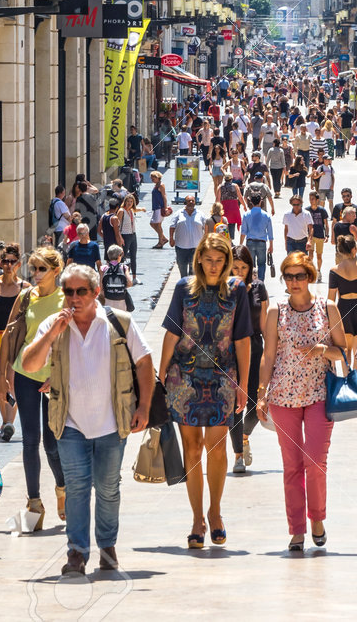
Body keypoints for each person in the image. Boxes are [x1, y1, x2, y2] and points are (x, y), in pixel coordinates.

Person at [19, 264, 154, 576]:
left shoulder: (117, 323)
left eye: (82, 291)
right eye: (69, 292)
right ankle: (77, 553)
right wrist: (53, 332)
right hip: (70, 424)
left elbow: (145, 363)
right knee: (78, 488)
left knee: (108, 488)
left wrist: (144, 408)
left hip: (112, 422)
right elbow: (30, 362)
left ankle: (107, 546)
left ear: (96, 292)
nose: (74, 298)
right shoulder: (55, 323)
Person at [160, 235, 253, 548]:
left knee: (217, 446)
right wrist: (160, 375)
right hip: (183, 377)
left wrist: (242, 383)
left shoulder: (237, 289)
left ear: (227, 262)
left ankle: (215, 512)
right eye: (209, 259)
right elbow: (172, 332)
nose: (214, 266)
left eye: (220, 260)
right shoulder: (183, 287)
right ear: (199, 258)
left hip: (222, 378)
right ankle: (197, 518)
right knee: (192, 447)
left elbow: (242, 339)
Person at [255, 252, 347, 551]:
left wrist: (321, 349)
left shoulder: (327, 307)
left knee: (316, 461)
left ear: (311, 276)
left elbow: (342, 352)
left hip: (320, 394)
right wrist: (261, 393)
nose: (295, 282)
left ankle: (317, 518)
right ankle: (296, 529)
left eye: (300, 276)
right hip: (283, 396)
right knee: (291, 465)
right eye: (289, 276)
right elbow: (268, 356)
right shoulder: (275, 311)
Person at [0, 248, 66, 530]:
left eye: (41, 269)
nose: (35, 274)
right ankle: (34, 502)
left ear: (55, 270)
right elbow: (10, 333)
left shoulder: (66, 299)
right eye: (33, 268)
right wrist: (5, 374)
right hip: (25, 372)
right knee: (30, 439)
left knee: (52, 443)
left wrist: (60, 376)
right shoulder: (26, 296)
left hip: (53, 376)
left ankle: (62, 489)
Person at [229, 246, 269, 475]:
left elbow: (264, 325)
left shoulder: (258, 288)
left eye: (243, 268)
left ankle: (243, 437)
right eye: (234, 268)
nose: (239, 272)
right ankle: (237, 456)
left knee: (255, 405)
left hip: (254, 350)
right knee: (235, 405)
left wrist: (271, 353)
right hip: (231, 353)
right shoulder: (224, 289)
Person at [0, 243, 27, 438]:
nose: (9, 265)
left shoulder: (25, 288)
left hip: (16, 340)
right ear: (0, 263)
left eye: (13, 262)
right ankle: (5, 421)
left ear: (18, 264)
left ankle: (9, 422)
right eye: (5, 261)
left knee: (13, 381)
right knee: (0, 380)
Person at [327, 235, 357, 377]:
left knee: (344, 350)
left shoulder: (334, 271)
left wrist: (329, 321)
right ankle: (356, 383)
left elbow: (331, 299)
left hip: (342, 309)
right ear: (354, 249)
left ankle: (347, 380)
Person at [169, 195, 207, 278]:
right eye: (189, 201)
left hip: (196, 248)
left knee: (193, 272)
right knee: (182, 271)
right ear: (185, 203)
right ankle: (183, 286)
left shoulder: (200, 214)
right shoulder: (178, 213)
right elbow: (172, 226)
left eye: (192, 201)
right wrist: (171, 239)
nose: (191, 202)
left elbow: (206, 228)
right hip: (181, 247)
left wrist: (205, 241)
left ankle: (190, 289)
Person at [240, 199, 274, 282]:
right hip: (261, 242)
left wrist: (240, 244)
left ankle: (252, 281)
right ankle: (260, 282)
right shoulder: (266, 215)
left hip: (250, 242)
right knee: (262, 264)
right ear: (260, 202)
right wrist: (271, 245)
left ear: (251, 202)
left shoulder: (246, 215)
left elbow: (243, 231)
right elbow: (270, 232)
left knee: (251, 264)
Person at [99, 246, 135, 312]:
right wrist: (121, 286)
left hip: (108, 300)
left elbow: (101, 288)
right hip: (121, 300)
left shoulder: (103, 268)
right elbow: (130, 283)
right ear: (119, 256)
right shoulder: (124, 268)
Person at [118, 191, 141, 276]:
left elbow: (136, 209)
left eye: (131, 202)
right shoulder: (121, 211)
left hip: (133, 235)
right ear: (125, 201)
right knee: (122, 257)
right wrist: (120, 237)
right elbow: (117, 226)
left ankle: (134, 276)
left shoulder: (131, 210)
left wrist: (142, 209)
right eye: (128, 201)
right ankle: (119, 274)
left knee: (133, 257)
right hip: (125, 235)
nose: (129, 203)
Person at [307, 192, 330, 268]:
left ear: (317, 200)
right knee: (310, 255)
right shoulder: (307, 210)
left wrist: (327, 235)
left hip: (320, 236)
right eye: (310, 199)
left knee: (319, 256)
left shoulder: (322, 210)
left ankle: (319, 270)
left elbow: (326, 224)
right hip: (310, 236)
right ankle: (311, 270)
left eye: (313, 199)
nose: (311, 201)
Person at [219, 174, 244, 240]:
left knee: (224, 222)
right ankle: (231, 238)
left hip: (224, 207)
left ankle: (225, 238)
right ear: (231, 179)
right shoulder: (235, 186)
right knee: (232, 222)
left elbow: (217, 199)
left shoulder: (220, 187)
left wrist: (216, 209)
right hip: (233, 207)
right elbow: (240, 197)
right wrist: (244, 205)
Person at [149, 172, 170, 249]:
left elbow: (164, 196)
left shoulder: (161, 185)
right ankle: (163, 238)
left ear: (157, 177)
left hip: (159, 207)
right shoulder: (156, 185)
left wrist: (165, 207)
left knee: (157, 224)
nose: (152, 180)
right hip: (156, 207)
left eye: (153, 178)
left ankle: (160, 242)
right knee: (153, 224)